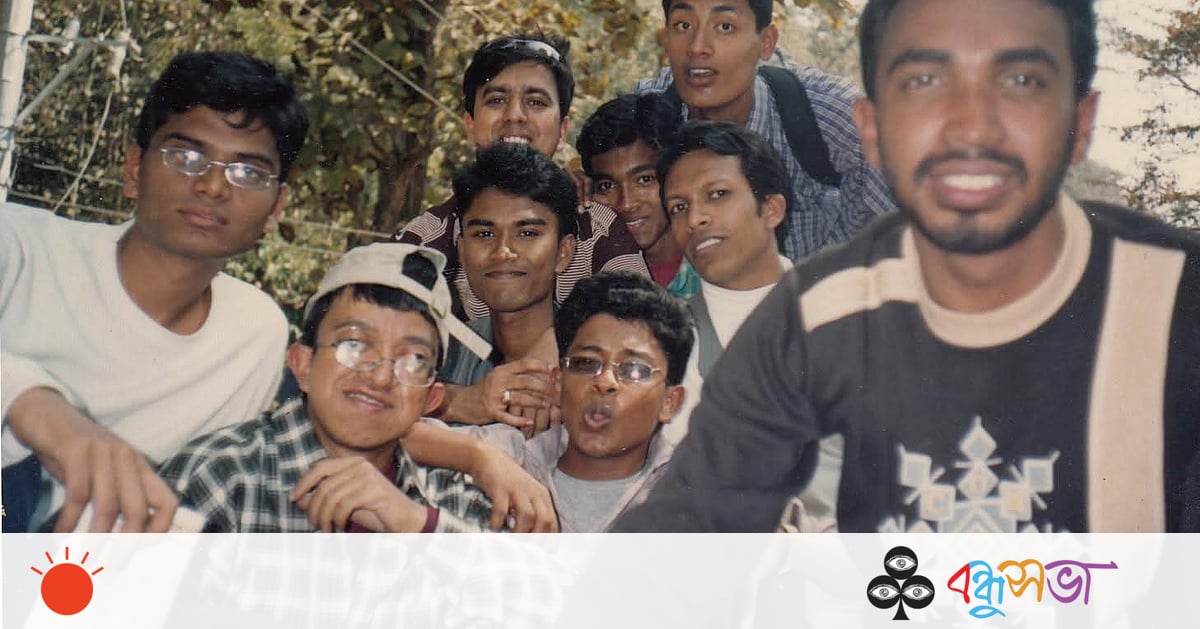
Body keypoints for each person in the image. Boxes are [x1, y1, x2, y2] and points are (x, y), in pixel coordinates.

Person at [616, 0, 1200, 532]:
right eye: (924, 83)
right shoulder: (812, 326)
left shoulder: (1172, 307)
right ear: (872, 128)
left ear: (1082, 119)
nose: (972, 125)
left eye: (1021, 81)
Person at [1, 51, 308, 533]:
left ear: (275, 209)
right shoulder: (20, 247)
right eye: (186, 157)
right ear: (133, 169)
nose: (213, 186)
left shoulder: (255, 333)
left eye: (247, 172)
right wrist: (33, 405)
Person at [159, 243, 500, 532]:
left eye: (414, 359)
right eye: (354, 345)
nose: (381, 377)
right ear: (302, 365)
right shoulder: (222, 477)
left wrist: (416, 524)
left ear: (431, 398)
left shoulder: (451, 498)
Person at [654, 120, 841, 531]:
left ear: (772, 209)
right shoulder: (664, 338)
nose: (695, 219)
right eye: (679, 207)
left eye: (717, 194)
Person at [395, 34, 647, 320]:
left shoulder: (599, 230)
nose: (515, 115)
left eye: (536, 102)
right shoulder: (426, 238)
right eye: (497, 100)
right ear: (470, 124)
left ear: (563, 131)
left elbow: (641, 330)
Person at [637, 0, 896, 260]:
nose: (697, 47)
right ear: (666, 39)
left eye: (725, 26)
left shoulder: (830, 114)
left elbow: (908, 234)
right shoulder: (642, 120)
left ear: (767, 41)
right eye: (683, 25)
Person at [461, 272, 693, 531]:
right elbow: (421, 437)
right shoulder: (513, 456)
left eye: (634, 370)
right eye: (586, 363)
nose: (605, 382)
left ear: (670, 402)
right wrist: (478, 456)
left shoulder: (693, 493)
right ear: (558, 383)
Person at [436, 142, 576, 435]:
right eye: (484, 234)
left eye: (527, 233)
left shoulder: (591, 356)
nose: (502, 252)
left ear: (563, 253)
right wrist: (457, 401)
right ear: (462, 252)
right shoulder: (443, 352)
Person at [576, 93, 700, 298]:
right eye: (607, 186)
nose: (626, 203)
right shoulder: (584, 275)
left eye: (644, 179)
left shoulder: (716, 267)